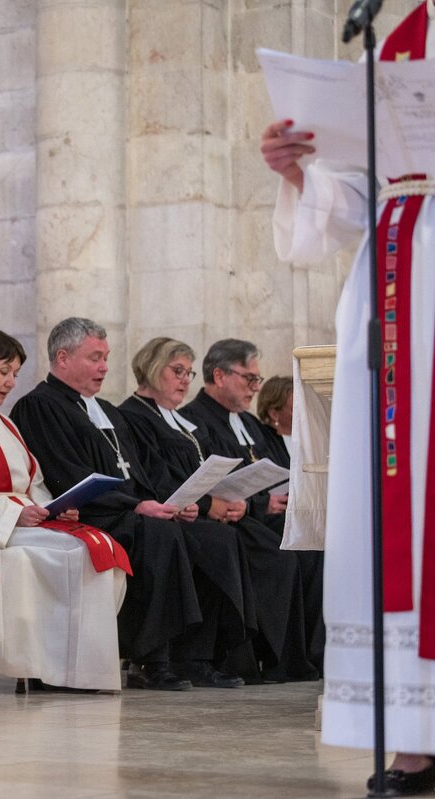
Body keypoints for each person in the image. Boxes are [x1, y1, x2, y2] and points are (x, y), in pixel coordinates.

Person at [261, 1, 435, 788]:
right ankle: (414, 729)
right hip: (397, 274)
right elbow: (359, 194)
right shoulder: (399, 37)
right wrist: (302, 171)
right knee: (391, 500)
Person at [10, 317, 252, 690]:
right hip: (90, 513)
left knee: (212, 537)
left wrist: (174, 503)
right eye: (95, 358)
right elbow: (65, 473)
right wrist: (136, 506)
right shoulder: (39, 406)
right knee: (159, 536)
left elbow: (142, 471)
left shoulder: (106, 409)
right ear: (62, 357)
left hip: (130, 509)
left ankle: (196, 655)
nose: (105, 367)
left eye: (106, 357)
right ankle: (149, 658)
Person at [0, 326, 128, 691]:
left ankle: (74, 669)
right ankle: (50, 670)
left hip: (22, 522)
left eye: (16, 374)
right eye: (4, 371)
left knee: (99, 550)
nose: (12, 382)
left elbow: (32, 484)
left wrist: (54, 508)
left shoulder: (5, 422)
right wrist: (13, 515)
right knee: (73, 556)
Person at [119, 338, 318, 683]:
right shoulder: (132, 416)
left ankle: (277, 658)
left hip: (209, 511)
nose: (184, 380)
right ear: (152, 369)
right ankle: (209, 658)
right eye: (177, 371)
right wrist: (212, 504)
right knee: (226, 544)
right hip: (178, 514)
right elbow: (155, 477)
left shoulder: (178, 420)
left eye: (188, 372)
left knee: (281, 553)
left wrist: (235, 502)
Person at [180, 339, 324, 672]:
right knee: (286, 555)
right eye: (249, 379)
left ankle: (309, 655)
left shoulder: (247, 423)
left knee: (316, 545)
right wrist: (259, 504)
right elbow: (209, 481)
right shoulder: (195, 421)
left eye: (257, 380)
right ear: (219, 375)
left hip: (258, 514)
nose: (255, 388)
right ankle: (275, 658)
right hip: (228, 518)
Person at [256, 375, 294, 468]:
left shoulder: (308, 436)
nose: (302, 414)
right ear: (274, 414)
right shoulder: (263, 443)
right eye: (294, 409)